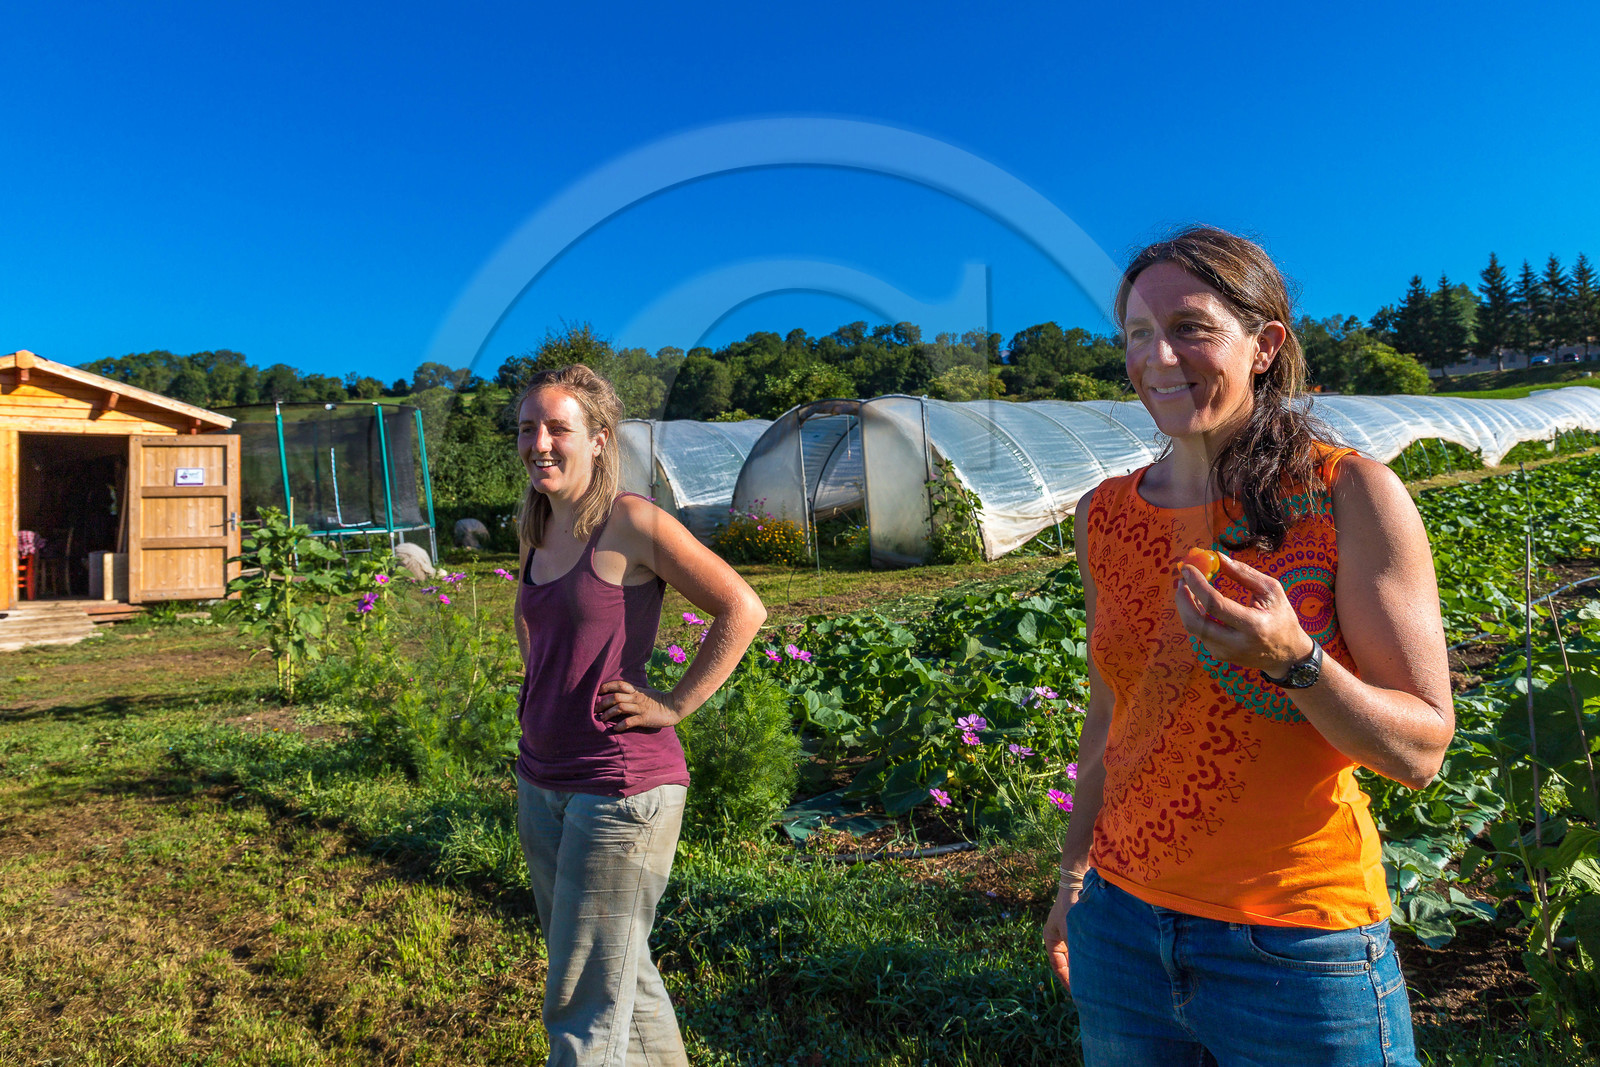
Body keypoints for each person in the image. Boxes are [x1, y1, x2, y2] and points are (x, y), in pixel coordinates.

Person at [1041, 227, 1453, 1065]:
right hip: (1120, 928)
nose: (1159, 355)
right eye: (1137, 334)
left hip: (1296, 948)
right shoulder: (1104, 516)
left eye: (1191, 327)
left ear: (1265, 346)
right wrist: (1073, 876)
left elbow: (1422, 746)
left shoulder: (1346, 495)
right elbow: (1109, 714)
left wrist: (1294, 660)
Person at [511, 364, 766, 1067]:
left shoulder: (631, 521)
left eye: (557, 428)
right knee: (620, 971)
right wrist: (539, 696)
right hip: (544, 781)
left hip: (621, 787)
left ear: (597, 439)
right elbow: (531, 624)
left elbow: (742, 608)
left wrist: (675, 703)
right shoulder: (536, 527)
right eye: (527, 428)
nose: (539, 443)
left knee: (581, 997)